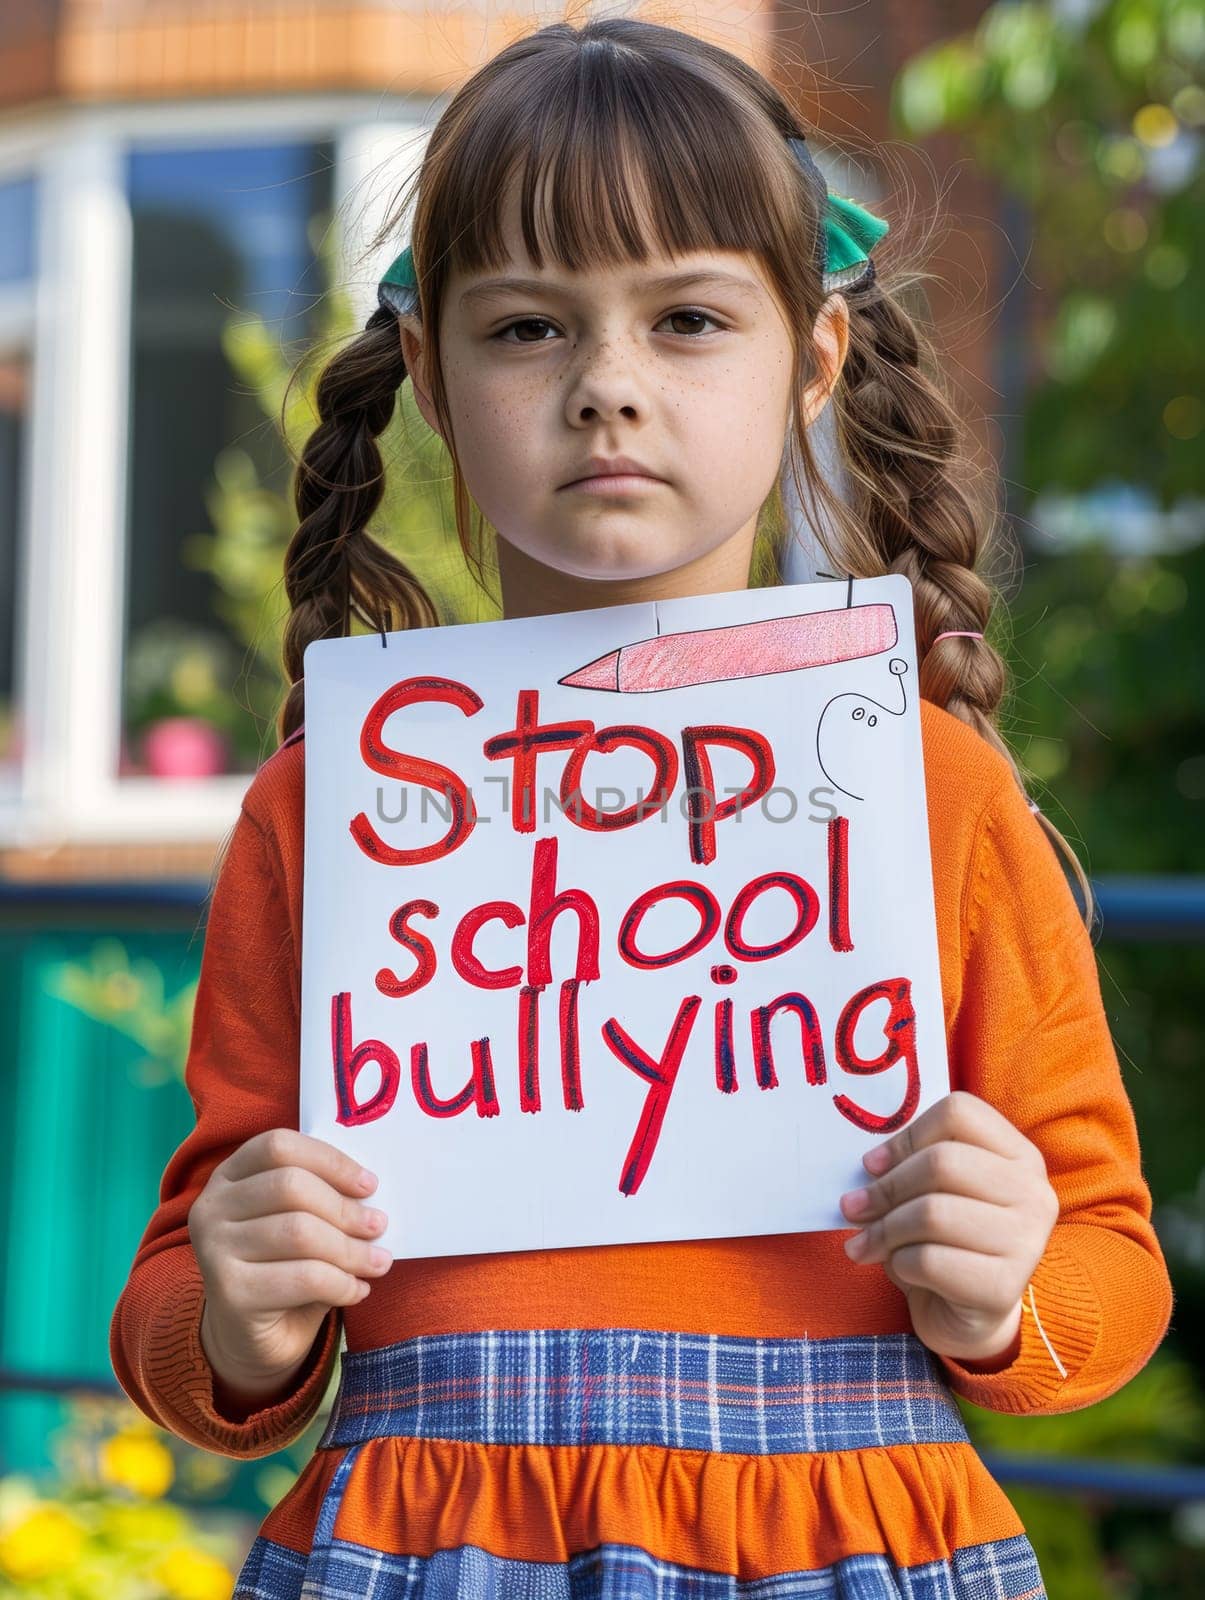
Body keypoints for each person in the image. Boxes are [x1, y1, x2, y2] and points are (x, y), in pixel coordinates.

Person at [110, 17, 1173, 1598]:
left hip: (841, 1543)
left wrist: (1011, 1280)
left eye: (685, 318)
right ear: (430, 371)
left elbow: (1106, 1266)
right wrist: (240, 1304)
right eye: (529, 330)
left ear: (809, 356)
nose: (607, 388)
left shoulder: (926, 787)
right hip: (418, 1547)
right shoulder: (325, 809)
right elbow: (181, 1316)